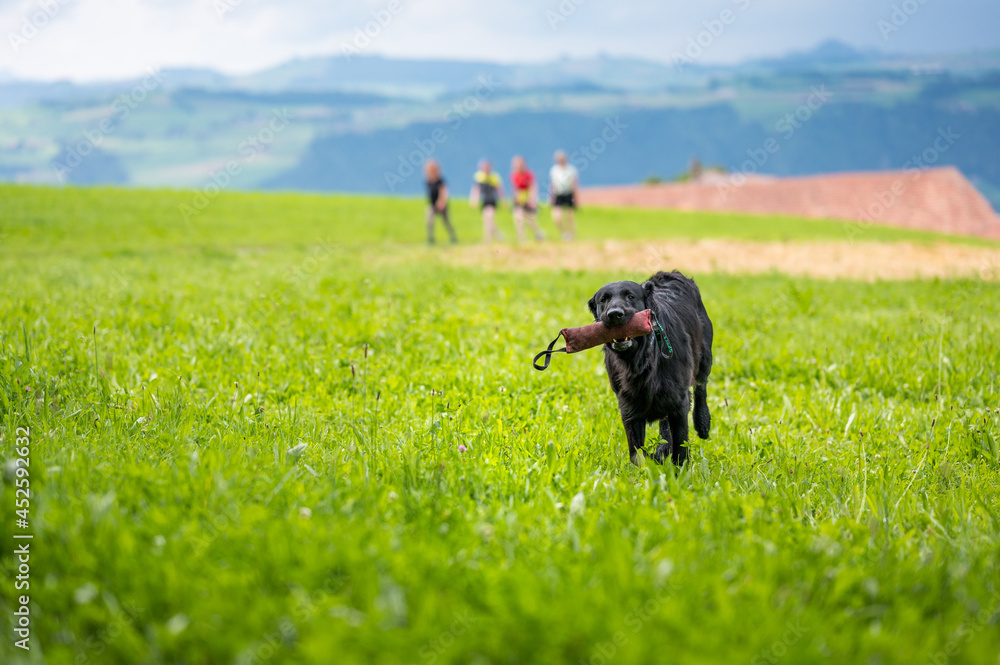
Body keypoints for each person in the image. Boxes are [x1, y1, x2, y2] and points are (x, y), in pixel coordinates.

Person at [510, 155, 544, 243]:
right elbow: (515, 188)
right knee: (518, 218)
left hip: (528, 199)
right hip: (519, 199)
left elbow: (533, 187)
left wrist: (532, 199)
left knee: (530, 219)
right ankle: (522, 239)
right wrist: (515, 198)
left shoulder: (528, 174)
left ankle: (538, 233)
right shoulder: (514, 175)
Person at [469, 159, 505, 243]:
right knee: (487, 220)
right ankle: (497, 235)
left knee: (489, 218)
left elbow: (499, 189)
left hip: (492, 200)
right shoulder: (479, 177)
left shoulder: (494, 177)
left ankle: (488, 239)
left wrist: (503, 200)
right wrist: (474, 200)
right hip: (484, 201)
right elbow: (476, 189)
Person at [424, 160, 457, 245]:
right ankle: (430, 239)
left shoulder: (440, 180)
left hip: (441, 204)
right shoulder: (428, 180)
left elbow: (444, 191)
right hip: (432, 204)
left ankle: (453, 236)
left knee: (446, 222)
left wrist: (442, 201)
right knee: (429, 221)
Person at [548, 150, 579, 241]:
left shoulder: (571, 170)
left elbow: (574, 184)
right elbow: (552, 184)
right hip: (558, 194)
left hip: (568, 194)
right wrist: (551, 197)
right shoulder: (554, 170)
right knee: (556, 217)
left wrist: (576, 198)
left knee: (570, 217)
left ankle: (573, 235)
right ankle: (564, 233)